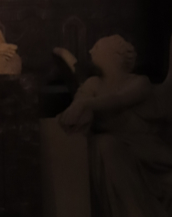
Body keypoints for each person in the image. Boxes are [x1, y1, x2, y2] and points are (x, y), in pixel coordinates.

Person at [59, 34, 172, 216]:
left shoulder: (139, 82)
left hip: (148, 154)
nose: (90, 51)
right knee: (105, 145)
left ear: (114, 54)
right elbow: (79, 102)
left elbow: (119, 100)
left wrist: (85, 104)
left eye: (97, 47)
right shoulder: (93, 84)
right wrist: (76, 108)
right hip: (116, 154)